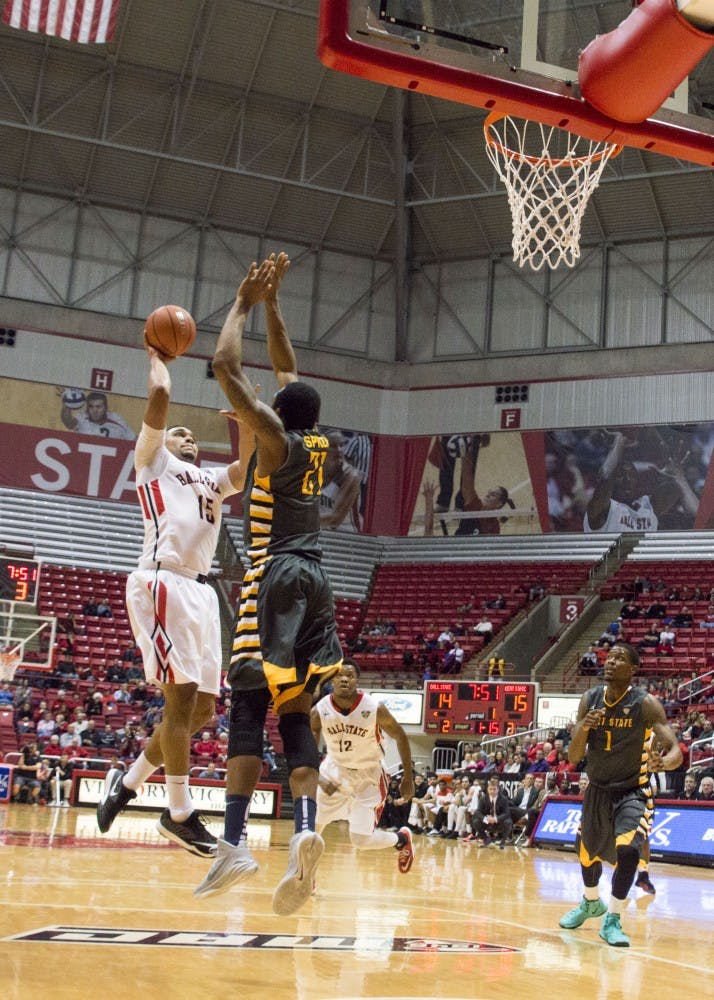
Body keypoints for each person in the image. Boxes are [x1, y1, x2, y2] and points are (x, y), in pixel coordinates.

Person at [193, 254, 342, 913]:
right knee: (298, 714)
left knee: (250, 706)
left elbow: (228, 370)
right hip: (318, 580)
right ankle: (305, 829)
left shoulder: (276, 444)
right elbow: (289, 373)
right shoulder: (316, 443)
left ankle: (234, 842)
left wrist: (242, 303)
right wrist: (278, 307)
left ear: (276, 416)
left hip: (276, 575)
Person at [95, 325, 245, 858]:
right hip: (163, 581)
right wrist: (157, 355)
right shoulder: (154, 463)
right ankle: (179, 812)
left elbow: (244, 472)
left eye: (190, 436)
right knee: (180, 702)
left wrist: (245, 424)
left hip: (203, 596)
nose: (186, 437)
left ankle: (130, 781)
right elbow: (159, 397)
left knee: (202, 709)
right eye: (180, 432)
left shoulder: (208, 480)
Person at [559, 642, 682, 947]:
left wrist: (662, 762)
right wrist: (584, 730)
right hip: (597, 790)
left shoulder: (646, 703)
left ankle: (612, 918)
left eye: (619, 659)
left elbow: (677, 751)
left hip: (633, 791)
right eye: (609, 657)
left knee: (628, 850)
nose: (611, 662)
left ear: (633, 669)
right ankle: (591, 903)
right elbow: (574, 757)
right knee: (584, 852)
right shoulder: (590, 699)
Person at [308, 660, 415, 870]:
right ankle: (307, 878)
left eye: (350, 675)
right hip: (334, 770)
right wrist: (319, 778)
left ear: (357, 681)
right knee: (312, 829)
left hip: (368, 775)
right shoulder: (319, 711)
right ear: (332, 680)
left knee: (360, 841)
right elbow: (309, 751)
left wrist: (408, 777)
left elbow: (400, 736)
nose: (345, 679)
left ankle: (401, 839)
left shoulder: (374, 708)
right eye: (339, 675)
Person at [583, 430, 697, 532]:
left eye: (631, 475)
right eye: (620, 475)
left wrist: (680, 479)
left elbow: (696, 514)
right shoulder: (602, 509)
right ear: (613, 481)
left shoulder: (647, 506)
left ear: (637, 482)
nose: (627, 479)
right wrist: (619, 440)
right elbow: (605, 477)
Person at [319, 429, 362, 531]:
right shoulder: (312, 470)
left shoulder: (351, 476)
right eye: (333, 445)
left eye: (341, 445)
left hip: (345, 535)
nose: (339, 450)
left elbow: (335, 519)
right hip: (318, 531)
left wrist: (301, 521)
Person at [60, 388, 135, 439]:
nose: (95, 410)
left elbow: (133, 439)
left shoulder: (116, 419)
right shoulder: (82, 417)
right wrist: (67, 404)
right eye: (91, 406)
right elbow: (68, 423)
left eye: (98, 407)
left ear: (105, 408)